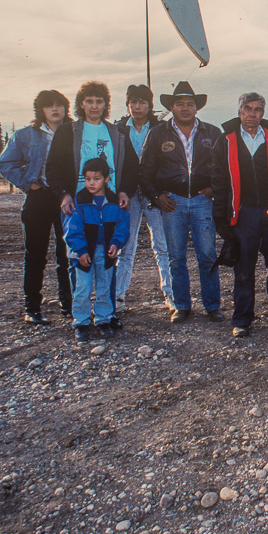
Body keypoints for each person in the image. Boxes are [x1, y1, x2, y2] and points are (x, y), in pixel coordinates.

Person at [213, 92, 268, 337]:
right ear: (239, 111)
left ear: (263, 113)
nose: (252, 114)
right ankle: (241, 320)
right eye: (248, 109)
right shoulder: (226, 141)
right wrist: (222, 221)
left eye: (258, 110)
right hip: (244, 215)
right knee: (243, 269)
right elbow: (219, 183)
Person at [138, 81, 224, 324]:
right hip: (172, 203)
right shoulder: (157, 134)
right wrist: (156, 196)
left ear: (197, 108)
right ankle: (182, 305)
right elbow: (145, 170)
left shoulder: (212, 133)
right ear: (172, 107)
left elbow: (224, 168)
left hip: (202, 201)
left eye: (190, 104)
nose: (185, 108)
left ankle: (212, 305)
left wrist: (213, 189)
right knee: (175, 256)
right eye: (180, 104)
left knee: (207, 254)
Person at [0, 89, 75, 325]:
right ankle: (32, 307)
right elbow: (4, 162)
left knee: (68, 253)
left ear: (65, 108)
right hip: (39, 198)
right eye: (49, 105)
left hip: (66, 199)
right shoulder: (25, 135)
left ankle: (68, 305)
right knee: (35, 255)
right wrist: (28, 184)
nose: (54, 109)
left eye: (59, 104)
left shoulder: (74, 133)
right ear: (40, 110)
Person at [113, 84, 174, 317]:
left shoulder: (161, 128)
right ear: (127, 104)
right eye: (133, 102)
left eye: (142, 102)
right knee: (125, 245)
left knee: (162, 245)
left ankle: (171, 295)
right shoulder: (118, 129)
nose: (137, 107)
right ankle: (118, 296)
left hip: (155, 193)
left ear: (150, 105)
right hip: (127, 193)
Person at [45, 80, 138, 216]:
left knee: (110, 237)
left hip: (110, 203)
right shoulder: (66, 131)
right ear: (81, 104)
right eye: (89, 101)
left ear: (105, 105)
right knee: (75, 237)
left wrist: (125, 191)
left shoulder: (119, 133)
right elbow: (53, 167)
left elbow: (132, 166)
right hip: (76, 204)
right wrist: (63, 194)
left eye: (99, 101)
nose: (94, 106)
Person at [63, 158, 130, 342]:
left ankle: (103, 319)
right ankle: (81, 322)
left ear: (107, 178)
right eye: (87, 179)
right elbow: (72, 230)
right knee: (82, 288)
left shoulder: (116, 202)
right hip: (83, 252)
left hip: (106, 251)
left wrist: (116, 243)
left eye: (96, 178)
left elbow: (123, 226)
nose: (91, 183)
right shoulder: (80, 202)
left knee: (104, 286)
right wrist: (81, 251)